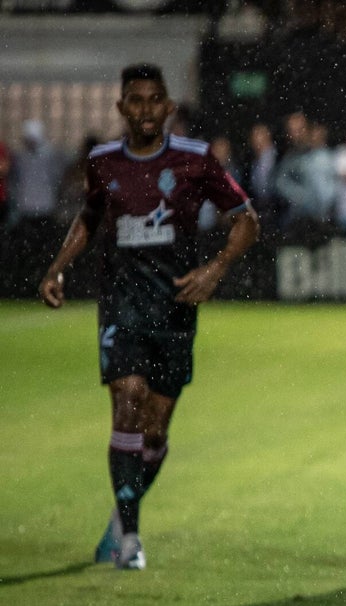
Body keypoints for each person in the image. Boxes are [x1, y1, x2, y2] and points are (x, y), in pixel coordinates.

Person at [36, 62, 260, 570]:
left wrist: (216, 269)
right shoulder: (102, 162)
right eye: (133, 100)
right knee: (128, 401)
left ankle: (120, 518)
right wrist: (58, 267)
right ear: (121, 108)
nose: (143, 109)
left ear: (167, 107)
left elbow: (247, 219)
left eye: (152, 99)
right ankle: (132, 540)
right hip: (122, 305)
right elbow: (91, 216)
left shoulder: (195, 160)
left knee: (154, 433)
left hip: (175, 308)